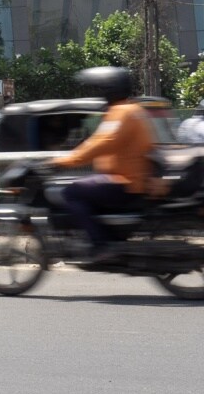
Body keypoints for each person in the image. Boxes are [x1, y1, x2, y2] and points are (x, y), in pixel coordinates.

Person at [50, 66, 162, 259]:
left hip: (125, 183)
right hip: (127, 179)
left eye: (101, 90)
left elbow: (102, 143)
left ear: (110, 90)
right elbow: (99, 142)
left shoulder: (122, 112)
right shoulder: (131, 110)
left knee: (72, 192)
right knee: (88, 187)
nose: (100, 95)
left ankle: (100, 244)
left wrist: (64, 161)